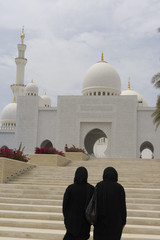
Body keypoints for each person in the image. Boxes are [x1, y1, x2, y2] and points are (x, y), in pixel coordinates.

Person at [94, 167, 127, 240]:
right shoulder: (119, 188)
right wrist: (123, 221)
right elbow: (122, 206)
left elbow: (94, 203)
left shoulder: (99, 186)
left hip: (100, 222)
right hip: (115, 223)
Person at [63, 166, 95, 240]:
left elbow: (65, 206)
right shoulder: (91, 189)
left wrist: (67, 220)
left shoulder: (70, 188)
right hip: (85, 223)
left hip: (72, 223)